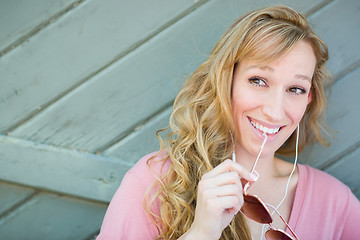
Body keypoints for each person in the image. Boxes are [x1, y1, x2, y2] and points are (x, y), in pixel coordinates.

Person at [96, 5, 360, 240]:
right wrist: (201, 233)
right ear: (227, 81)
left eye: (295, 89)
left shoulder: (336, 203)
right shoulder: (154, 183)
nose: (274, 111)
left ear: (308, 99)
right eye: (258, 80)